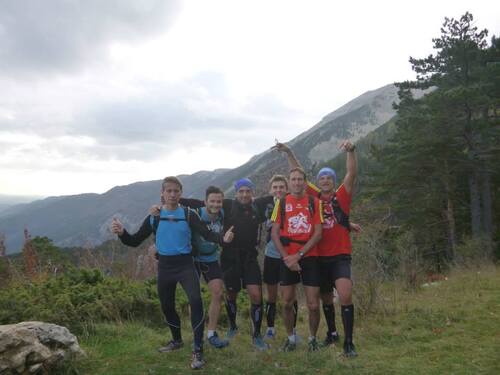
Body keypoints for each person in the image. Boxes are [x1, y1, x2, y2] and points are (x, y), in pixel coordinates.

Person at [111, 176, 234, 369]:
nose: (172, 194)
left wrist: (223, 239)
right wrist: (122, 233)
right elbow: (134, 241)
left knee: (196, 302)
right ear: (162, 193)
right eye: (168, 191)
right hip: (166, 267)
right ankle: (176, 341)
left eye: (176, 191)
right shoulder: (154, 217)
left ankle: (198, 349)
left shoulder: (189, 214)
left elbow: (207, 234)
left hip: (185, 265)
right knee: (167, 306)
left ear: (181, 193)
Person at [274, 141, 359, 357]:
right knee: (326, 299)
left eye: (329, 177)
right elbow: (298, 173)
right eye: (322, 178)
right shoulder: (315, 197)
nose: (325, 181)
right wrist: (289, 152)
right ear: (318, 182)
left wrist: (351, 151)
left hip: (339, 255)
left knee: (345, 295)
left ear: (333, 180)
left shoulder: (342, 195)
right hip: (319, 256)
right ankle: (331, 333)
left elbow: (351, 173)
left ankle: (349, 342)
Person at [179, 178, 274, 350]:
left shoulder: (257, 205)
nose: (244, 194)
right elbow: (200, 203)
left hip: (250, 257)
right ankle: (232, 327)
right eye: (241, 191)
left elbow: (276, 195)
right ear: (236, 193)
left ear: (252, 193)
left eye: (248, 191)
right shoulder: (227, 205)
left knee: (256, 295)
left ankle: (257, 335)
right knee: (231, 294)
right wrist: (174, 199)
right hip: (229, 257)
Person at [270, 167, 323, 352]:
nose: (297, 182)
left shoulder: (314, 202)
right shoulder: (282, 203)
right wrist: (287, 258)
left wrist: (298, 256)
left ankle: (312, 339)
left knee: (313, 304)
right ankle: (291, 338)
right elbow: (274, 233)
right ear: (289, 182)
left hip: (310, 257)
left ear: (305, 181)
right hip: (287, 257)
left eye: (300, 179)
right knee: (286, 301)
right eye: (293, 179)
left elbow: (318, 233)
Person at [188, 186, 229, 349]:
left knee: (218, 293)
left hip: (211, 258)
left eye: (219, 201)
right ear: (205, 202)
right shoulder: (196, 213)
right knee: (194, 298)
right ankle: (196, 334)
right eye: (212, 201)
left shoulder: (223, 214)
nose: (216, 204)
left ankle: (211, 333)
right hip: (194, 260)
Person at [262, 175, 299, 340]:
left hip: (290, 256)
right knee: (271, 296)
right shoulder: (265, 205)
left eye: (281, 187)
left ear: (287, 189)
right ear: (270, 190)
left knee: (289, 298)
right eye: (275, 187)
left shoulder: (295, 203)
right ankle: (270, 328)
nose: (278, 190)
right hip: (271, 255)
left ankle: (293, 330)